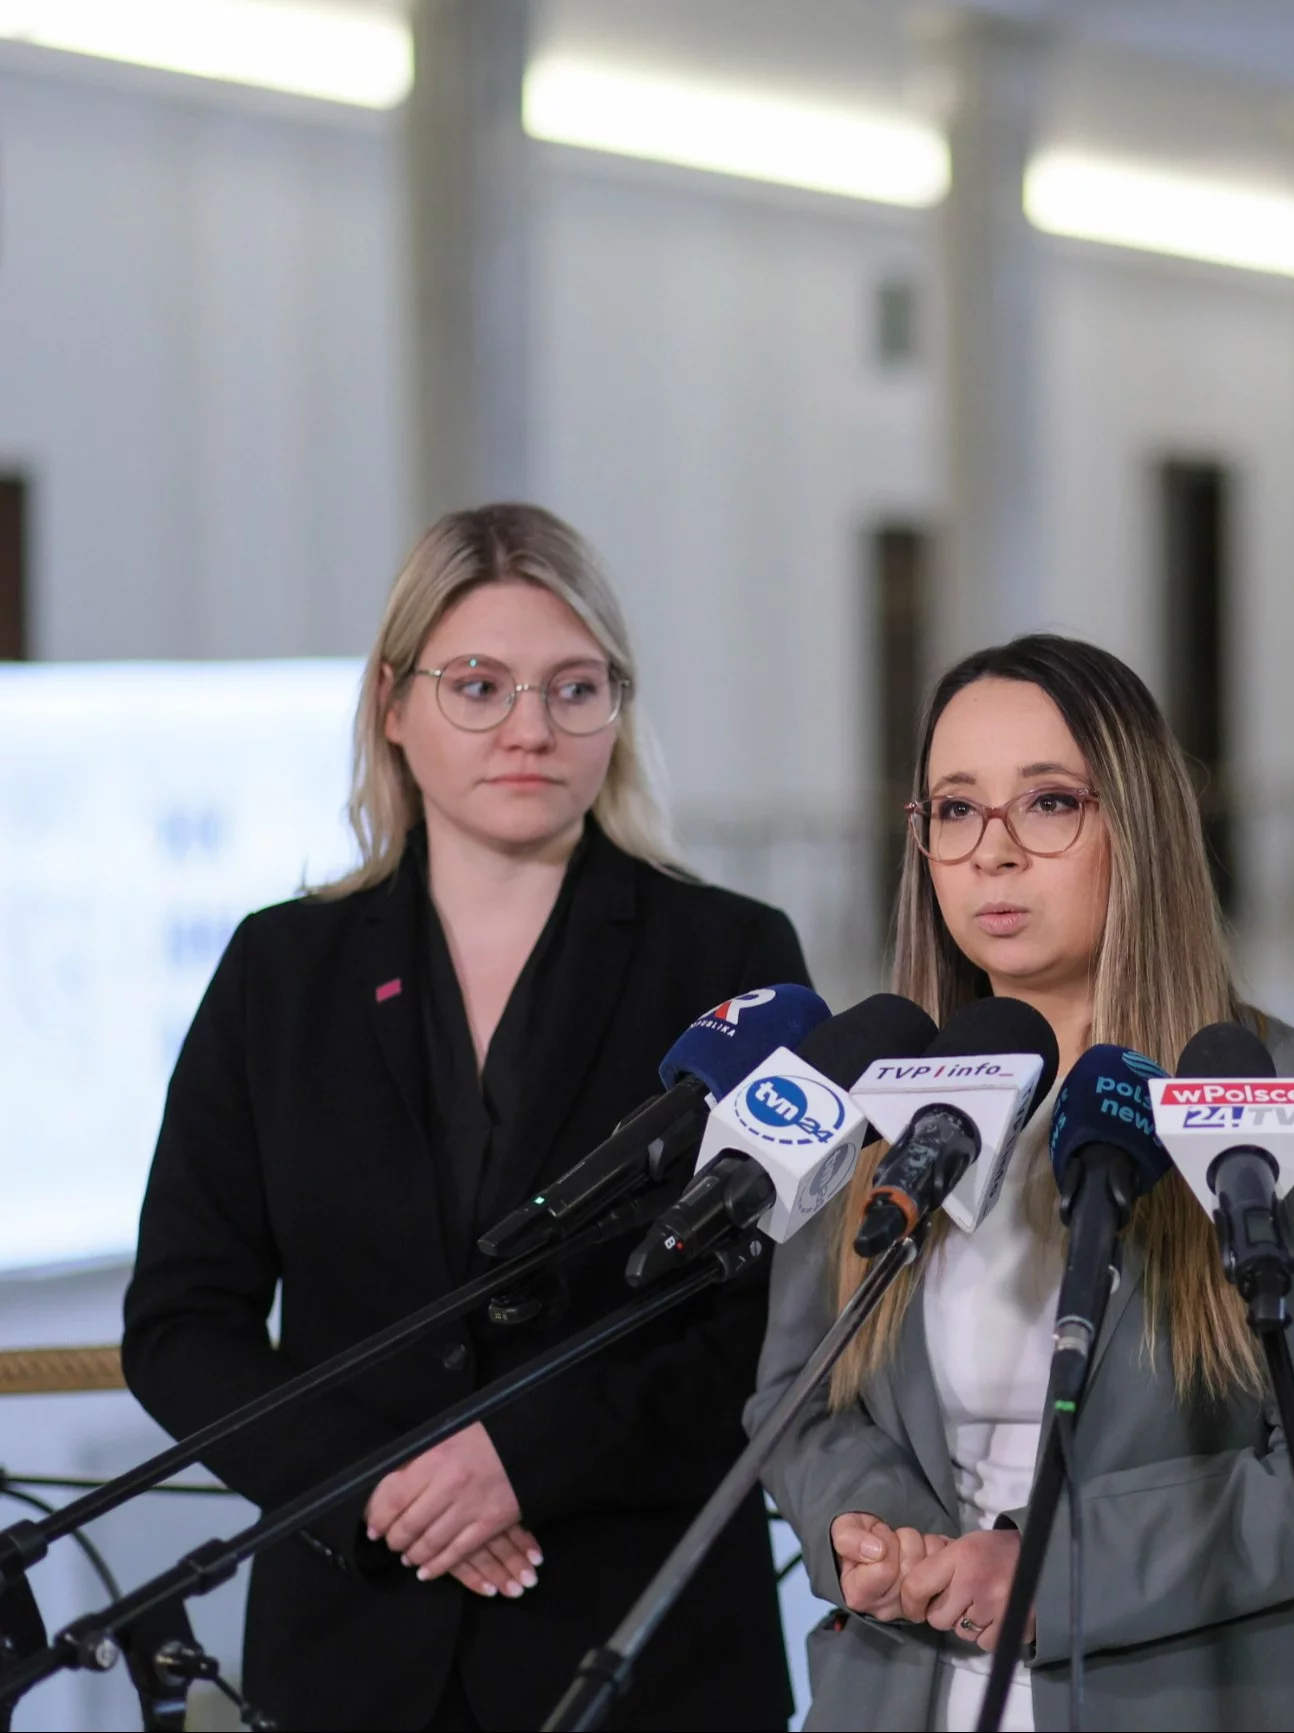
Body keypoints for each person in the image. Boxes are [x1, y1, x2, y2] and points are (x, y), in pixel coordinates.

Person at [122, 504, 807, 1730]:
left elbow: (764, 1318)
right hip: (354, 1651)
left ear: (617, 706)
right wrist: (373, 1492)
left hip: (640, 1645)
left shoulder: (733, 956)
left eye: (574, 687)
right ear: (392, 703)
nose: (530, 729)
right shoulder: (282, 971)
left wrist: (520, 1460)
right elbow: (182, 1318)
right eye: (480, 685)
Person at [752, 633, 1294, 1731]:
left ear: (1141, 827)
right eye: (955, 809)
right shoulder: (876, 1097)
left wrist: (1042, 1571)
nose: (994, 853)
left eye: (1050, 803)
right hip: (901, 1695)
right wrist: (867, 1531)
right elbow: (798, 1393)